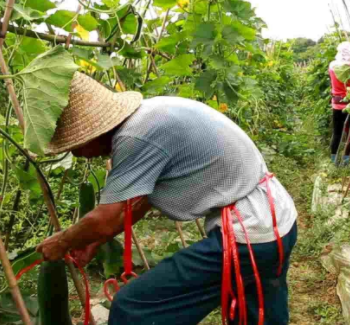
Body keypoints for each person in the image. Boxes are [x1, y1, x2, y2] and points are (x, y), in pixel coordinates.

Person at [35, 73, 299, 325]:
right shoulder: (150, 115)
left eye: (75, 144)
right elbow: (137, 201)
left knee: (134, 307)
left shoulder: (134, 136)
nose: (77, 154)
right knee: (257, 314)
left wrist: (63, 241)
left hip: (250, 233)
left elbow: (107, 217)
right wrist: (96, 240)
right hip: (275, 217)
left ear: (95, 131)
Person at [328, 42, 350, 166]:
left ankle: (334, 160)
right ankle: (347, 161)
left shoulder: (332, 66)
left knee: (337, 132)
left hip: (337, 104)